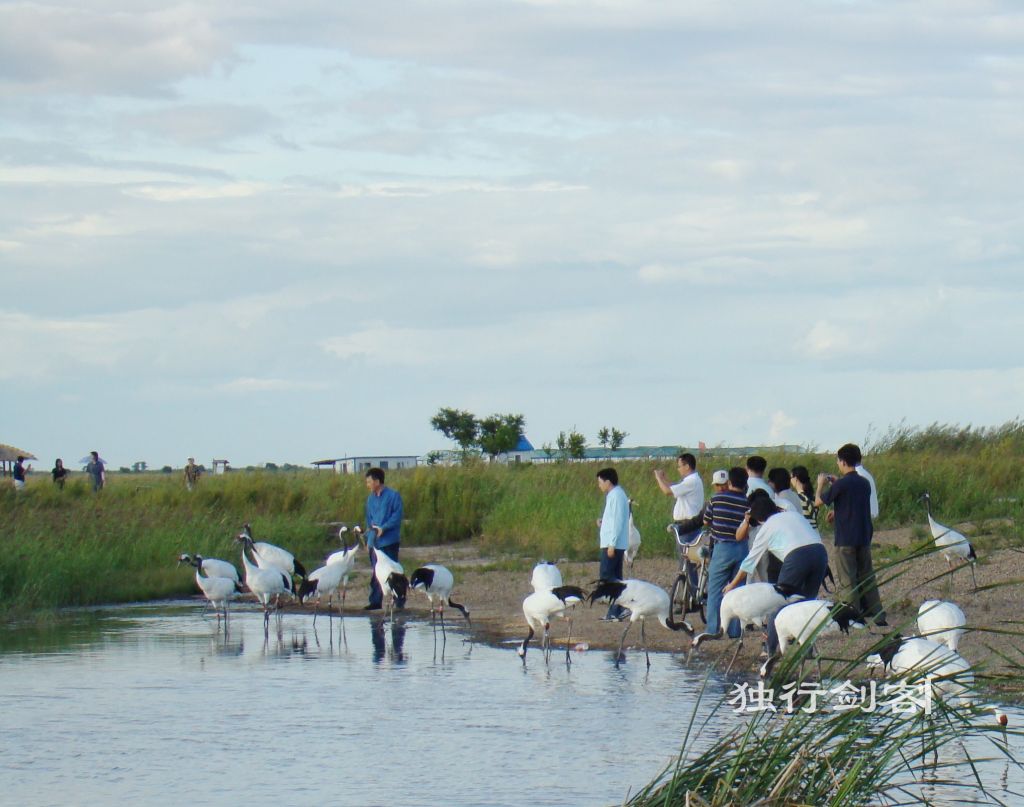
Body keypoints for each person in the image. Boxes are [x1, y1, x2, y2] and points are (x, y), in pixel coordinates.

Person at [723, 495, 829, 655]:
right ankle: (808, 651)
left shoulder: (766, 528)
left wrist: (732, 585)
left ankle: (770, 649)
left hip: (797, 557)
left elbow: (749, 563)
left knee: (778, 602)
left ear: (758, 518)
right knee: (806, 605)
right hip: (820, 553)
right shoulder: (793, 514)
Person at [816, 443, 886, 626]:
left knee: (848, 579)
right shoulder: (864, 482)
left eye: (838, 461)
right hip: (863, 535)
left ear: (843, 461)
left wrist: (820, 485)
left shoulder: (842, 484)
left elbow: (818, 501)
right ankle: (878, 615)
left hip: (846, 538)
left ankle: (855, 618)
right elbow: (855, 505)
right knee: (867, 576)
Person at [701, 467, 750, 639]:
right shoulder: (747, 502)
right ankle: (735, 631)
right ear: (745, 484)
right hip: (742, 548)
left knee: (715, 590)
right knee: (737, 590)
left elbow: (706, 521)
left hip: (722, 548)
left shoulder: (716, 498)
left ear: (729, 482)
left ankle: (713, 629)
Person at [364, 467, 405, 611]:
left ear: (377, 481)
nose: (367, 485)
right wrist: (369, 540)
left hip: (390, 541)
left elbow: (397, 516)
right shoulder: (370, 499)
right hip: (375, 542)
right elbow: (369, 520)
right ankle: (375, 601)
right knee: (376, 571)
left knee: (393, 571)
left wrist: (384, 528)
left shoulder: (393, 496)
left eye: (369, 481)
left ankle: (398, 601)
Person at [654, 453, 704, 569]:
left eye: (679, 466)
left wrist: (658, 478)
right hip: (687, 525)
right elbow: (675, 488)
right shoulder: (691, 481)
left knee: (686, 564)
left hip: (687, 526)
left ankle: (690, 586)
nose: (678, 469)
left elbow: (667, 491)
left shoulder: (692, 481)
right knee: (686, 562)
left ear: (687, 466)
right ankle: (688, 586)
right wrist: (664, 479)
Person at [596, 467, 630, 621]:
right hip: (614, 542)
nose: (599, 485)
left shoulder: (616, 495)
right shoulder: (615, 495)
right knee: (615, 576)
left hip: (613, 544)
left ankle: (621, 607)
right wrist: (603, 523)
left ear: (608, 481)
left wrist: (612, 544)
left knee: (607, 576)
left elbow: (618, 521)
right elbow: (614, 520)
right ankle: (617, 609)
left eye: (600, 482)